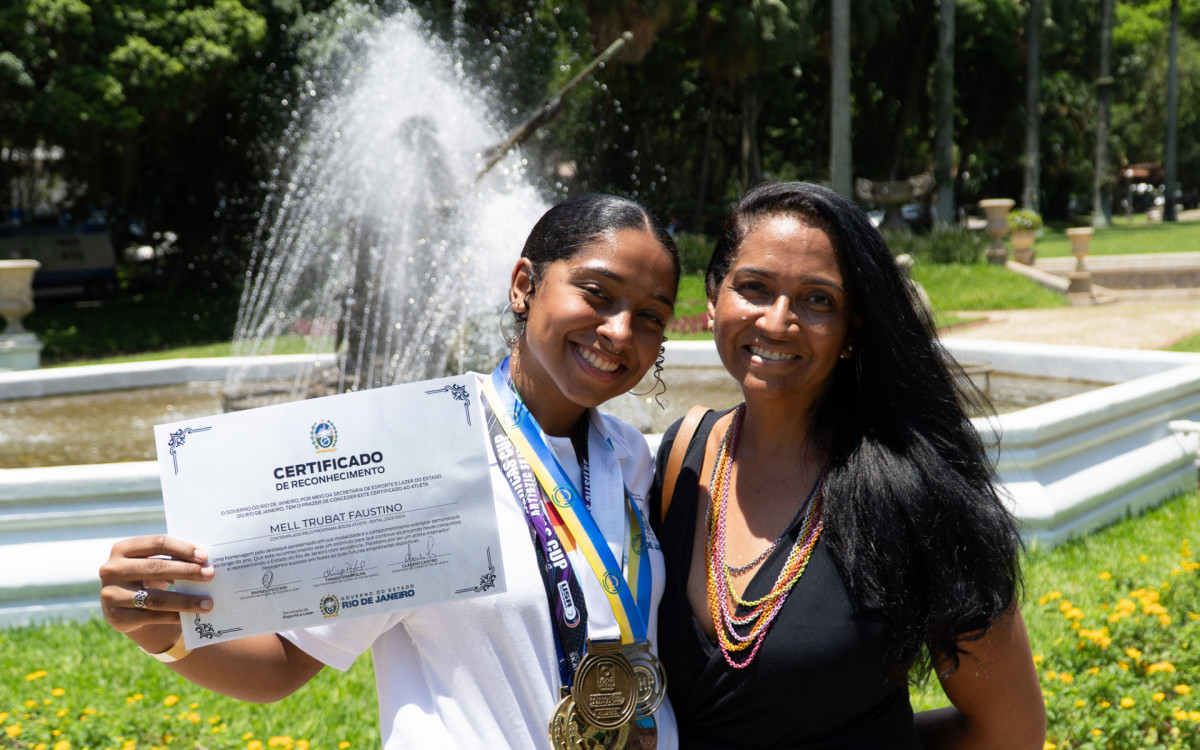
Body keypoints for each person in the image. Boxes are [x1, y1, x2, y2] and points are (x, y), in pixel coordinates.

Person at [99, 193, 683, 750]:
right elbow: (283, 662)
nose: (620, 331)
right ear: (524, 286)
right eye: (597, 294)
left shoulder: (629, 459)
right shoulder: (416, 450)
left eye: (651, 317)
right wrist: (159, 631)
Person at [650, 182, 1044, 749]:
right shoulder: (683, 455)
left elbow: (1009, 731)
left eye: (818, 300)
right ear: (714, 299)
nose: (778, 321)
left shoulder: (916, 488)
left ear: (852, 329)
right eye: (754, 287)